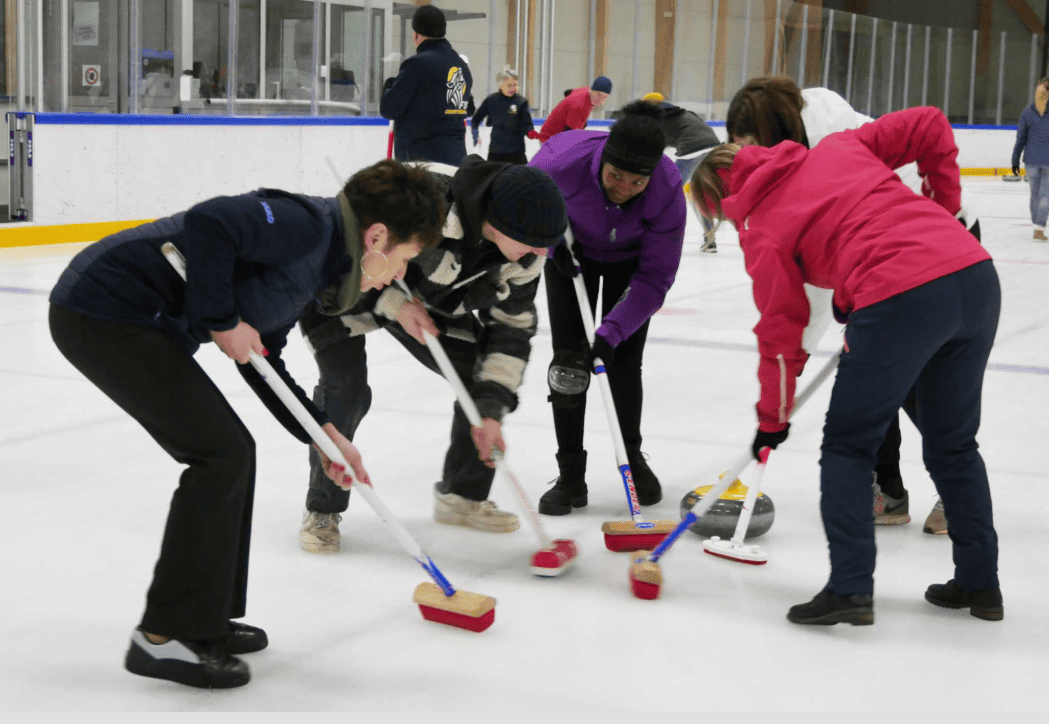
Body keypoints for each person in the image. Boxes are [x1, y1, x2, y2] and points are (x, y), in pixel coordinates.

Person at [48, 160, 446, 688]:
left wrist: (323, 434)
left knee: (235, 453)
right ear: (376, 237)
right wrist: (222, 319)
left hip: (138, 320)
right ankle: (164, 637)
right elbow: (211, 223)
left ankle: (205, 619)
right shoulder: (307, 226)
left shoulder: (323, 264)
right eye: (405, 258)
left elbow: (263, 361)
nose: (397, 276)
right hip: (103, 309)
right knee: (221, 454)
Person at [691, 106, 1001, 625]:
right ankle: (980, 583)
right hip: (974, 275)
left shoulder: (761, 227)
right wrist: (944, 210)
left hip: (899, 294)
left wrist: (772, 419)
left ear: (716, 202)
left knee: (847, 446)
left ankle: (850, 588)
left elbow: (781, 332)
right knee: (953, 445)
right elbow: (929, 123)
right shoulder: (837, 148)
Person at [725, 76, 982, 535]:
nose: (742, 153)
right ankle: (889, 490)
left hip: (927, 242)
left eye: (747, 142)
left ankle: (955, 489)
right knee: (870, 369)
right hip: (877, 256)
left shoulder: (826, 145)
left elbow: (802, 306)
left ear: (771, 133)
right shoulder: (791, 151)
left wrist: (943, 209)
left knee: (907, 376)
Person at [298, 156, 568, 552]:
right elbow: (346, 253)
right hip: (345, 289)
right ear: (498, 223)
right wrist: (394, 304)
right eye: (533, 241)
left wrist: (490, 410)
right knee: (347, 389)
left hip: (426, 301)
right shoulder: (426, 198)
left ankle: (462, 495)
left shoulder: (526, 256)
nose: (540, 252)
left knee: (479, 377)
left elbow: (511, 330)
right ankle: (323, 507)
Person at [529, 100, 686, 515]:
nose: (623, 188)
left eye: (637, 182)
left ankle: (631, 457)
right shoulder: (560, 160)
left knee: (623, 362)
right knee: (568, 366)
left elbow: (656, 277)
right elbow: (525, 206)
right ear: (603, 160)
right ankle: (570, 475)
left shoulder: (667, 187)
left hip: (631, 263)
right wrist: (552, 244)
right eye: (615, 176)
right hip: (571, 255)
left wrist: (611, 332)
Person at [380, 5, 473, 165]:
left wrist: (389, 85)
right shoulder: (461, 67)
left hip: (422, 163)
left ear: (416, 34)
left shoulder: (417, 65)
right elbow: (467, 108)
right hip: (456, 160)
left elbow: (389, 108)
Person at [638, 91, 721, 252]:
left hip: (692, 149)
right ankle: (710, 240)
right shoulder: (680, 113)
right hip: (714, 148)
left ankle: (654, 236)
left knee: (667, 192)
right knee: (698, 194)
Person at [471, 66, 540, 165]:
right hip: (495, 153)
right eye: (509, 85)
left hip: (517, 153)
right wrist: (475, 135)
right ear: (500, 86)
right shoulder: (491, 100)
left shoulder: (521, 102)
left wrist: (530, 132)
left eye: (515, 85)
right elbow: (476, 119)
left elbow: (527, 124)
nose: (513, 88)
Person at [1011, 76, 1049, 241]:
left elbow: (1021, 138)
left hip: (1031, 161)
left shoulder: (1027, 111)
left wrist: (1015, 160)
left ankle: (1037, 227)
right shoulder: (1027, 112)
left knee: (1035, 195)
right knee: (1045, 196)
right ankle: (1039, 228)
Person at [537, 76, 612, 143]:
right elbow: (571, 136)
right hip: (549, 141)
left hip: (550, 135)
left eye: (604, 97)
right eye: (598, 94)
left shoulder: (585, 91)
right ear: (592, 90)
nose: (600, 99)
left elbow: (568, 92)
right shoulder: (580, 105)